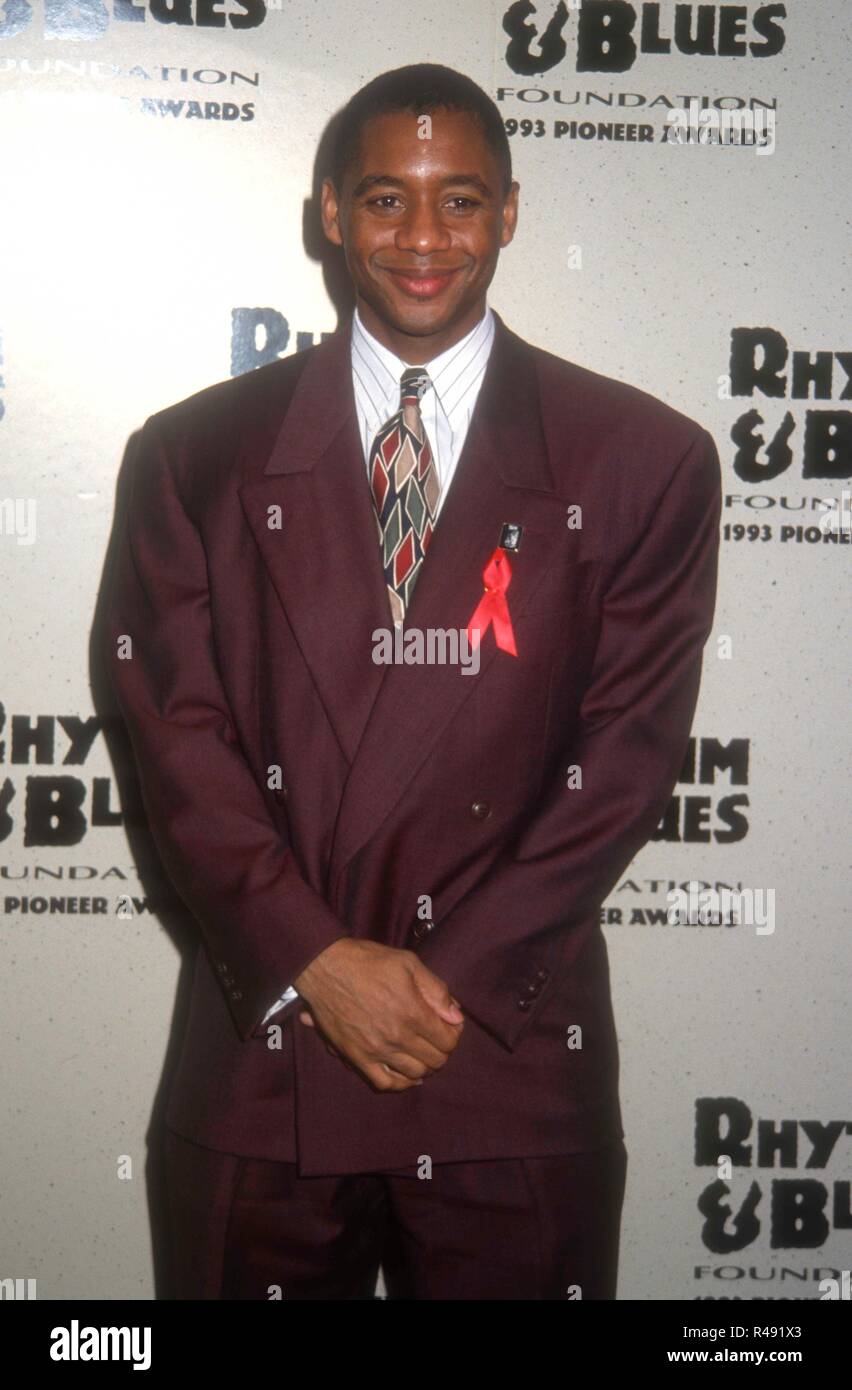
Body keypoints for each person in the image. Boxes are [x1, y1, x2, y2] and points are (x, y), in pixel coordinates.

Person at [104, 62, 721, 1300]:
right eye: (387, 200)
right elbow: (176, 743)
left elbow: (628, 759)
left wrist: (440, 993)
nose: (424, 239)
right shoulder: (192, 456)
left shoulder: (645, 458)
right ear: (330, 211)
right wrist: (320, 962)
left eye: (460, 201)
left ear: (508, 212)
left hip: (503, 1049)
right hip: (267, 1050)